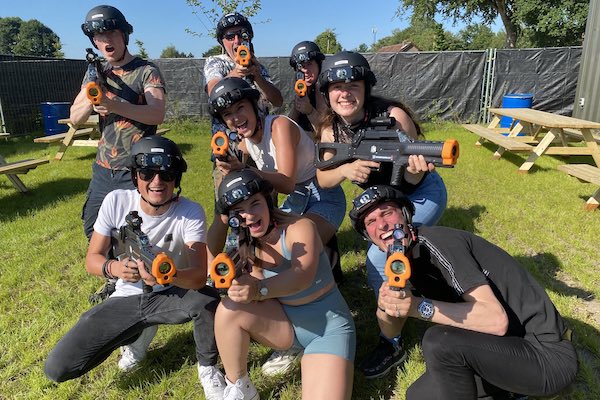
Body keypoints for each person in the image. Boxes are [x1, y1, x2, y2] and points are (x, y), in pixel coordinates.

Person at [348, 184, 578, 399]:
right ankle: (510, 392)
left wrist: (417, 306)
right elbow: (390, 331)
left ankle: (515, 387)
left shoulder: (438, 244)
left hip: (546, 357)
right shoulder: (402, 259)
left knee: (440, 341)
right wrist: (389, 304)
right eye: (371, 221)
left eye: (387, 213)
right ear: (369, 237)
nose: (382, 224)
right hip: (504, 349)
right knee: (418, 395)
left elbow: (495, 320)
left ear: (406, 215)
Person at [44, 137, 226, 400]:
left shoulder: (190, 212)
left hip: (171, 292)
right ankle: (138, 336)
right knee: (58, 367)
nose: (157, 181)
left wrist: (170, 274)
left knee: (207, 301)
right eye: (147, 173)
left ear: (176, 179)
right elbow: (92, 259)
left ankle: (208, 368)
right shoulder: (115, 201)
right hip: (128, 294)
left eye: (166, 174)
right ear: (134, 176)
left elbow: (198, 275)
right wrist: (116, 268)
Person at [315, 50, 448, 378]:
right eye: (336, 86)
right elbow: (322, 176)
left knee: (380, 255)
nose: (345, 92)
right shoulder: (331, 131)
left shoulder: (394, 116)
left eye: (353, 85)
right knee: (392, 252)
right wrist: (346, 168)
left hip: (418, 193)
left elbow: (413, 174)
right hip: (380, 202)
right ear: (327, 93)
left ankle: (392, 339)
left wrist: (416, 171)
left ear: (366, 87)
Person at [207, 76, 347, 375]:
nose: (235, 118)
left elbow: (285, 181)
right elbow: (254, 190)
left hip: (321, 196)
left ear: (255, 105)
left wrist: (245, 168)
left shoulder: (279, 126)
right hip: (294, 201)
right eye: (227, 115)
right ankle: (288, 333)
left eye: (240, 108)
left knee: (297, 257)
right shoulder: (245, 142)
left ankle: (305, 333)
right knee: (261, 254)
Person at [213, 169, 355, 400]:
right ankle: (239, 387)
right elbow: (211, 256)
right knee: (228, 309)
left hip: (327, 329)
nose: (248, 216)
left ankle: (306, 353)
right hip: (285, 325)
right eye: (239, 212)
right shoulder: (245, 242)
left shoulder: (300, 227)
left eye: (254, 204)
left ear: (268, 200)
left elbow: (301, 276)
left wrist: (257, 290)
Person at [72, 5, 167, 302]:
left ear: (124, 34)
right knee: (94, 224)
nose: (106, 41)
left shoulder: (146, 71)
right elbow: (75, 118)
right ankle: (114, 274)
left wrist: (113, 104)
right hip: (104, 168)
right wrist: (92, 98)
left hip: (135, 169)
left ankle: (139, 283)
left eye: (112, 32)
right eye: (99, 36)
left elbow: (157, 113)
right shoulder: (96, 72)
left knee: (134, 230)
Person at [203, 11, 282, 138]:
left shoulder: (258, 67)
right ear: (222, 42)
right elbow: (213, 91)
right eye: (230, 37)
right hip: (230, 141)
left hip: (262, 141)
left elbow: (278, 101)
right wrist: (237, 73)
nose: (237, 41)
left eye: (242, 35)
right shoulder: (215, 62)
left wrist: (258, 77)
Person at [288, 40, 327, 134]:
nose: (305, 70)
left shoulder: (328, 90)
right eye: (301, 66)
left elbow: (326, 132)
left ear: (319, 66)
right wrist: (299, 102)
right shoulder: (302, 88)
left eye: (309, 64)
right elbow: (288, 127)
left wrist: (310, 111)